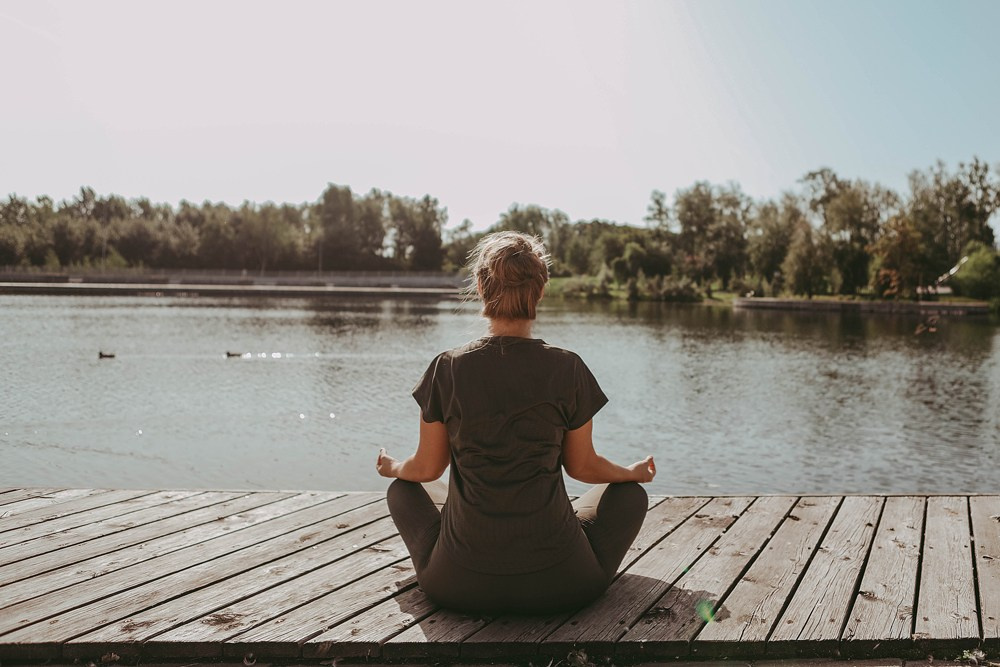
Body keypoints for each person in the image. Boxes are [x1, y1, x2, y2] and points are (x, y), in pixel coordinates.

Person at [376, 231, 656, 614]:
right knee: (629, 495)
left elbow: (426, 468)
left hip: (456, 584)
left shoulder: (449, 368)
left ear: (479, 286)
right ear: (540, 291)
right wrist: (631, 472)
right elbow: (583, 467)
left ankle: (450, 560)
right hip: (563, 583)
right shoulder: (567, 367)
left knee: (402, 490)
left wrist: (392, 466)